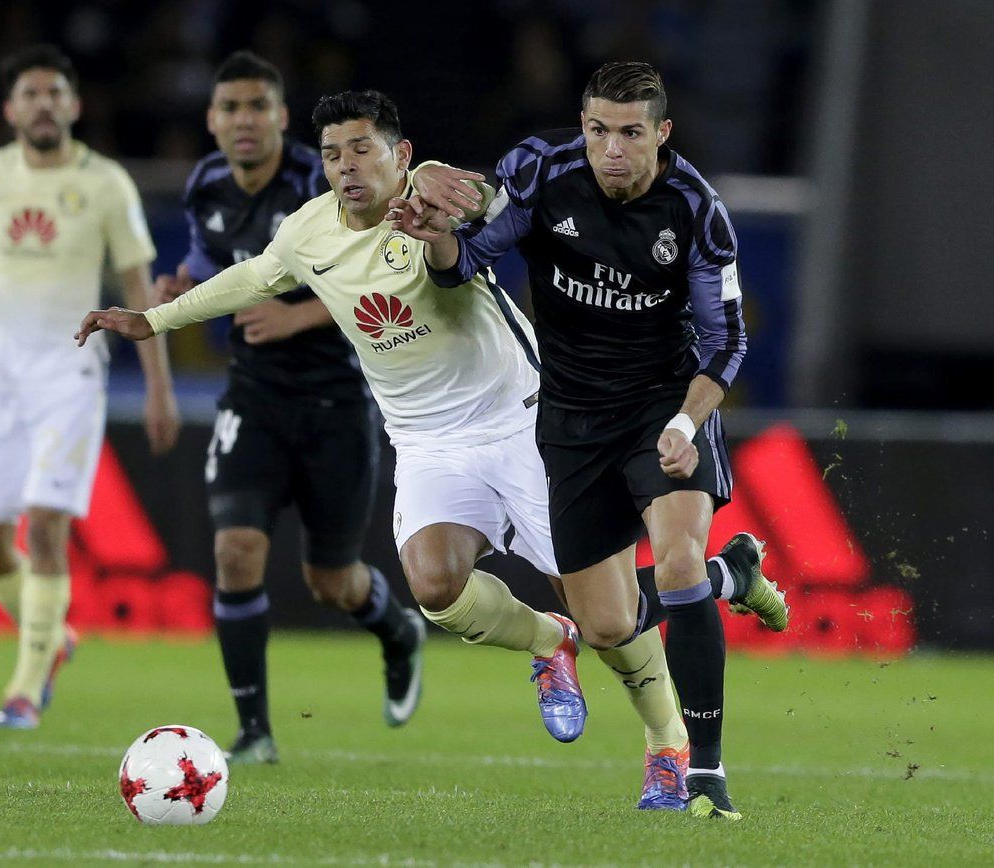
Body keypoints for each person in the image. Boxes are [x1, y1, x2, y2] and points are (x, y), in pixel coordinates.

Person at [75, 90, 778, 811]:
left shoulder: (435, 194)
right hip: (426, 442)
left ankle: (668, 742)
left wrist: (467, 190)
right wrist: (154, 319)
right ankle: (548, 642)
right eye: (332, 155)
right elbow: (254, 277)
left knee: (611, 616)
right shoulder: (308, 232)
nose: (346, 168)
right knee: (436, 586)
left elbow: (498, 201)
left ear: (401, 154)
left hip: (525, 422)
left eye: (362, 149)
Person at [404, 61, 789, 820]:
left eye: (631, 133)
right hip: (572, 419)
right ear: (583, 126)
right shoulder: (541, 171)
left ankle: (704, 773)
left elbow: (725, 341)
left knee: (675, 564)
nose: (612, 149)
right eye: (598, 130)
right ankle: (733, 575)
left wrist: (685, 422)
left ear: (662, 133)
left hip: (661, 407)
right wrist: (439, 240)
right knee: (609, 625)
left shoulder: (697, 211)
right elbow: (465, 265)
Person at [154, 52, 432, 765]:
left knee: (331, 582)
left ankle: (398, 630)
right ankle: (254, 732)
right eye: (230, 107)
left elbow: (380, 276)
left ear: (281, 117)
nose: (243, 120)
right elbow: (211, 262)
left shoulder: (326, 178)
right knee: (235, 552)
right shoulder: (206, 184)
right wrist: (183, 285)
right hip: (254, 396)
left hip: (337, 399)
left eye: (257, 106)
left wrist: (294, 315)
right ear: (212, 120)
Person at [0, 44, 180, 730]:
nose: (43, 104)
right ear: (10, 109)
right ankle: (54, 639)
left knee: (47, 523)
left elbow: (138, 287)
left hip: (70, 373)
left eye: (55, 94)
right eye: (31, 94)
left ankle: (24, 688)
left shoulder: (105, 183)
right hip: (0, 379)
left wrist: (159, 387)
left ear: (74, 106)